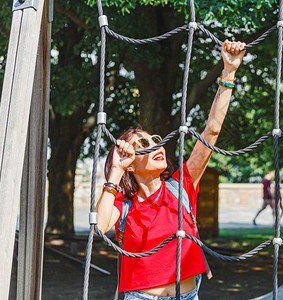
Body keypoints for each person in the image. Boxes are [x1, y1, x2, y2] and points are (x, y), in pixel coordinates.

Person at [95, 40, 246, 300]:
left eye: (154, 139)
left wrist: (228, 72)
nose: (156, 144)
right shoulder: (124, 202)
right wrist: (116, 171)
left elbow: (212, 130)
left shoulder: (182, 185)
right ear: (130, 164)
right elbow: (99, 226)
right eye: (142, 144)